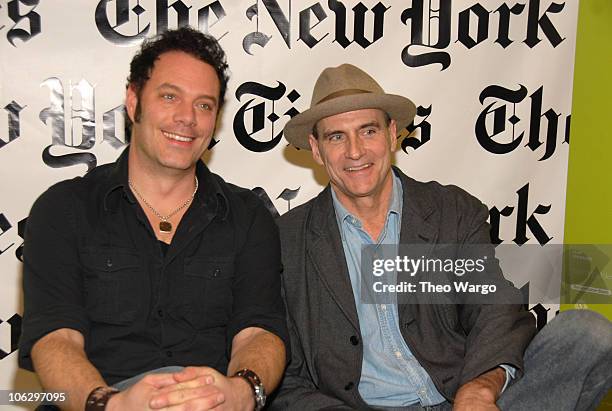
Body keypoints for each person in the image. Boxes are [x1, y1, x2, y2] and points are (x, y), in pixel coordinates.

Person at [270, 63, 612, 410]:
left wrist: (479, 388)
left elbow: (492, 306)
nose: (355, 151)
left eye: (368, 131)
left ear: (392, 134)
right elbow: (286, 375)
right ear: (316, 148)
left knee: (588, 332)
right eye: (336, 137)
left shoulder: (452, 211)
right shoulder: (286, 241)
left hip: (460, 398)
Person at [19, 27, 287, 411]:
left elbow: (259, 331)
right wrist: (110, 404)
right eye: (169, 96)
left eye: (204, 105)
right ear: (133, 102)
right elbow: (55, 339)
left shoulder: (248, 217)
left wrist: (242, 393)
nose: (187, 118)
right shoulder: (63, 210)